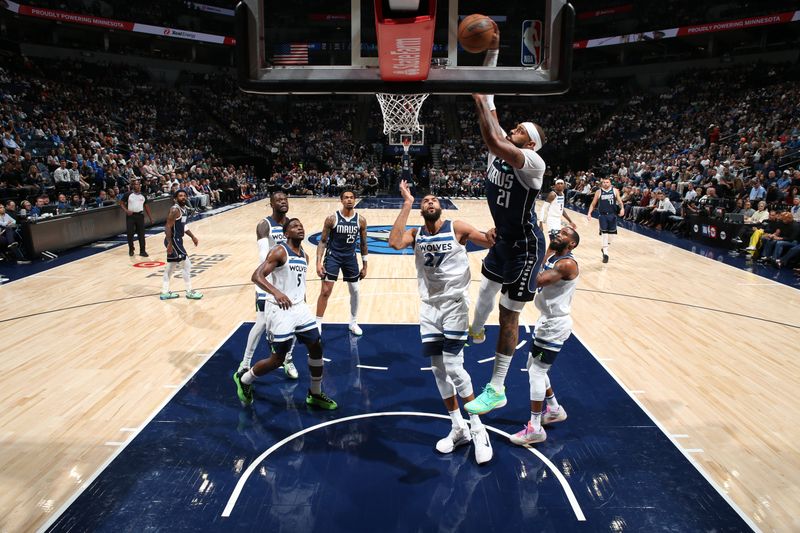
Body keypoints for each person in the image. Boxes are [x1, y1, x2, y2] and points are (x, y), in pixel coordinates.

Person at [388, 180, 495, 463]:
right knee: (437, 368)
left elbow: (486, 239)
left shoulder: (456, 227)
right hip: (429, 308)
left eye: (434, 199)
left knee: (453, 366)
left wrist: (494, 233)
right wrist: (407, 203)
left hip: (455, 305)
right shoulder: (416, 233)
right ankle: (458, 427)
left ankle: (478, 429)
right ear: (421, 210)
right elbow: (394, 242)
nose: (430, 202)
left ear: (441, 207)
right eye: (425, 201)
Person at [464, 88, 548, 417]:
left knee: (508, 312)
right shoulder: (505, 149)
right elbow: (492, 105)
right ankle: (476, 330)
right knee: (486, 289)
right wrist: (489, 62)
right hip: (504, 240)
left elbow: (494, 138)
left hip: (525, 247)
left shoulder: (533, 162)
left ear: (529, 144)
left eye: (521, 131)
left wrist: (476, 102)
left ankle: (497, 389)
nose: (514, 129)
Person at [233, 218, 338, 410]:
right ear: (286, 233)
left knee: (316, 346)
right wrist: (276, 292)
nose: (300, 228)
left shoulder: (304, 256)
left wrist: (302, 303)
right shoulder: (280, 251)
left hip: (299, 308)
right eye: (295, 226)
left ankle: (315, 393)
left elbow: (298, 285)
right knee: (278, 359)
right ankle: (245, 379)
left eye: (301, 225)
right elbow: (256, 276)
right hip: (280, 310)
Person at [510, 226, 579, 445]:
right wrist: (547, 246)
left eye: (564, 235)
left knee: (537, 373)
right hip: (546, 321)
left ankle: (536, 428)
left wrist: (512, 264)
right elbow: (542, 263)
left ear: (572, 244)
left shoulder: (566, 264)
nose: (559, 234)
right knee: (534, 367)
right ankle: (555, 409)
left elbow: (536, 280)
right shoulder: (555, 255)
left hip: (555, 324)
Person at [238, 192, 298, 380]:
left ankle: (288, 359)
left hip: (286, 282)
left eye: (285, 199)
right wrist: (272, 286)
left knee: (293, 322)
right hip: (267, 282)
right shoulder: (264, 225)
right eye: (279, 200)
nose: (283, 202)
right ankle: (245, 363)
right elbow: (264, 257)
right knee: (262, 322)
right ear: (271, 203)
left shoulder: (291, 224)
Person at [315, 190, 368, 335]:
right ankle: (318, 322)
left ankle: (353, 322)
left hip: (350, 257)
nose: (349, 200)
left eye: (351, 197)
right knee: (326, 291)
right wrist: (318, 262)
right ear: (341, 200)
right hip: (333, 256)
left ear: (355, 200)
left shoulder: (361, 220)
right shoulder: (332, 219)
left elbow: (363, 244)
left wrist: (365, 265)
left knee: (355, 290)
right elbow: (323, 241)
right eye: (346, 198)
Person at [160, 190, 203, 300]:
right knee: (187, 265)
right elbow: (167, 226)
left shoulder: (184, 209)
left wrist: (192, 236)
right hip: (173, 240)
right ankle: (189, 292)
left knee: (171, 266)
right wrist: (169, 243)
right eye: (180, 196)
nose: (183, 197)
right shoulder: (175, 209)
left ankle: (164, 292)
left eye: (184, 195)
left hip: (177, 240)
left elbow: (183, 225)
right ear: (175, 198)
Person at [586, 176, 624, 263]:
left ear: (610, 183)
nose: (605, 183)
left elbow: (620, 201)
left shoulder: (615, 191)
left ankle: (604, 248)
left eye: (607, 182)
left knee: (612, 236)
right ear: (602, 183)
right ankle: (606, 254)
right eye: (604, 182)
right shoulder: (598, 192)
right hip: (603, 216)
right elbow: (593, 204)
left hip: (612, 215)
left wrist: (622, 208)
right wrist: (589, 213)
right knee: (604, 234)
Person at [120, 180, 153, 257]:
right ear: (133, 186)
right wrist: (126, 210)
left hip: (140, 216)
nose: (137, 186)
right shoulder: (128, 194)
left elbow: (146, 207)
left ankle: (142, 251)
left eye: (138, 184)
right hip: (130, 216)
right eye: (135, 184)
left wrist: (150, 218)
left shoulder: (143, 195)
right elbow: (121, 203)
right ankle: (131, 249)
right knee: (130, 233)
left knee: (141, 234)